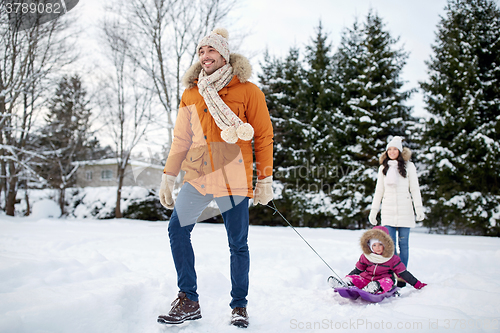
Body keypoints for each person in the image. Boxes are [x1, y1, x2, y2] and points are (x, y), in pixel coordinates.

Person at [157, 28, 274, 328]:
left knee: (238, 244)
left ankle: (239, 306)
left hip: (234, 177)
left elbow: (263, 136)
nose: (205, 56)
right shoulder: (191, 93)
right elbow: (181, 139)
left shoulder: (247, 90)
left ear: (223, 54)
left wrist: (265, 178)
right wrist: (168, 176)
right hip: (197, 175)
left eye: (211, 51)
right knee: (177, 230)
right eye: (200, 51)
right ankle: (188, 299)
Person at [368, 136, 424, 272]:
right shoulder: (383, 168)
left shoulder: (409, 167)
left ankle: (402, 273)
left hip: (405, 211)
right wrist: (374, 210)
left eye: (395, 149)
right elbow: (379, 191)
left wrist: (418, 208)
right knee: (389, 245)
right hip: (388, 212)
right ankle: (392, 273)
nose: (392, 152)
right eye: (389, 149)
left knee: (403, 244)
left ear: (400, 151)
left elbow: (415, 189)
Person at [328, 226, 426, 294]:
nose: (377, 248)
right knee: (356, 278)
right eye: (374, 245)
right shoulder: (366, 256)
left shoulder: (392, 258)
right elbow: (358, 270)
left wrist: (418, 284)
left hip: (384, 280)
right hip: (366, 279)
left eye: (380, 245)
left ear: (386, 245)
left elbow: (403, 273)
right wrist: (349, 277)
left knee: (387, 282)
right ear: (370, 246)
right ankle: (344, 283)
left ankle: (375, 287)